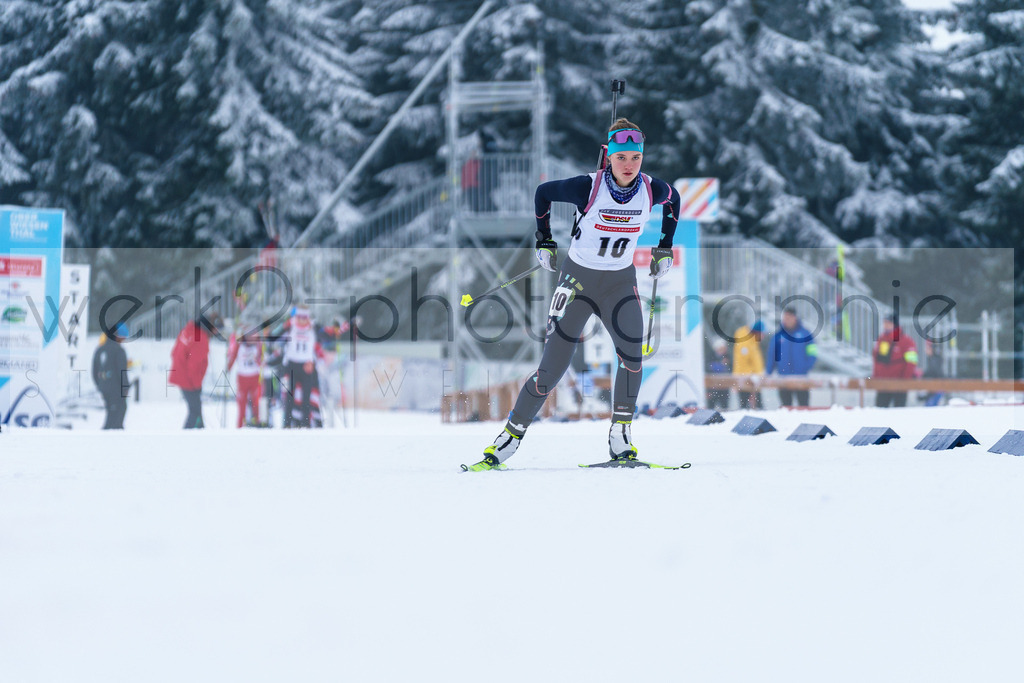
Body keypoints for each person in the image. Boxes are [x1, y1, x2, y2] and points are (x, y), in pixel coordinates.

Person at [465, 118, 682, 471]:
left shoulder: (651, 189)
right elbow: (543, 193)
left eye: (635, 158)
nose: (629, 165)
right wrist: (545, 240)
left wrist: (665, 246)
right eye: (621, 157)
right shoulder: (587, 187)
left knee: (632, 357)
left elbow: (674, 201)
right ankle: (509, 437)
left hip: (619, 284)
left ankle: (621, 436)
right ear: (609, 156)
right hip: (578, 282)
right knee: (551, 370)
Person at [169, 311, 223, 429]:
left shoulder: (189, 330)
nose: (216, 333)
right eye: (216, 330)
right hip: (189, 380)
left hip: (180, 374)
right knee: (195, 412)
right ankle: (187, 436)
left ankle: (200, 431)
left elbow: (174, 352)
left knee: (196, 410)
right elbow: (194, 365)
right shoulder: (201, 339)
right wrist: (197, 385)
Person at [280, 306, 326, 428]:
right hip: (290, 366)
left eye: (305, 317)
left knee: (306, 398)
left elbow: (328, 334)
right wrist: (284, 326)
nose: (302, 320)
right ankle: (287, 425)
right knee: (289, 397)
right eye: (299, 317)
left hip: (307, 366)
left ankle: (306, 425)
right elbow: (275, 335)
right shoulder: (291, 325)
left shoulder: (313, 327)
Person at [766, 307, 818, 407]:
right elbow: (772, 355)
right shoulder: (778, 336)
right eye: (785, 318)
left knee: (804, 407)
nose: (787, 320)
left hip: (801, 378)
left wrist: (806, 367)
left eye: (789, 317)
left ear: (795, 318)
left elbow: (813, 353)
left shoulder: (805, 334)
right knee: (786, 407)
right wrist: (768, 372)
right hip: (783, 378)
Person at [872, 314, 919, 408]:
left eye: (888, 323)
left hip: (900, 384)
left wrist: (905, 381)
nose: (885, 325)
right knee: (879, 411)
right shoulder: (882, 339)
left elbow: (912, 362)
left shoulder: (906, 341)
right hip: (883, 384)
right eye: (884, 323)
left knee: (899, 412)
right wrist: (877, 378)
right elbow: (878, 360)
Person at [92, 323, 129, 429]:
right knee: (119, 410)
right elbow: (122, 371)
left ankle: (113, 430)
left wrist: (100, 384)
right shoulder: (119, 350)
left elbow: (94, 370)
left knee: (111, 411)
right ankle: (112, 432)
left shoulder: (99, 349)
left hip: (103, 386)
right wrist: (125, 387)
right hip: (116, 388)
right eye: (123, 337)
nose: (123, 340)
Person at [227, 327, 263, 428]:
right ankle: (240, 426)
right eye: (250, 337)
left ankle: (257, 423)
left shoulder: (258, 344)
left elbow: (261, 359)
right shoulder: (239, 345)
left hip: (254, 377)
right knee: (241, 403)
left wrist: (260, 361)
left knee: (256, 402)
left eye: (254, 338)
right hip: (242, 378)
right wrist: (228, 366)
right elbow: (233, 356)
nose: (252, 340)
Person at [732, 320, 765, 409]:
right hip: (746, 380)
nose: (763, 336)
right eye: (762, 333)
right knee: (746, 407)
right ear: (757, 332)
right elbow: (742, 362)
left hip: (753, 380)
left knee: (756, 407)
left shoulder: (753, 342)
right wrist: (752, 376)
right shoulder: (745, 341)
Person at [706, 338, 732, 410]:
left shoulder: (727, 356)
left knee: (724, 406)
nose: (724, 350)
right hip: (712, 386)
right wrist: (721, 365)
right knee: (711, 406)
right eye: (722, 348)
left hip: (724, 386)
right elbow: (709, 367)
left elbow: (731, 369)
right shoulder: (711, 355)